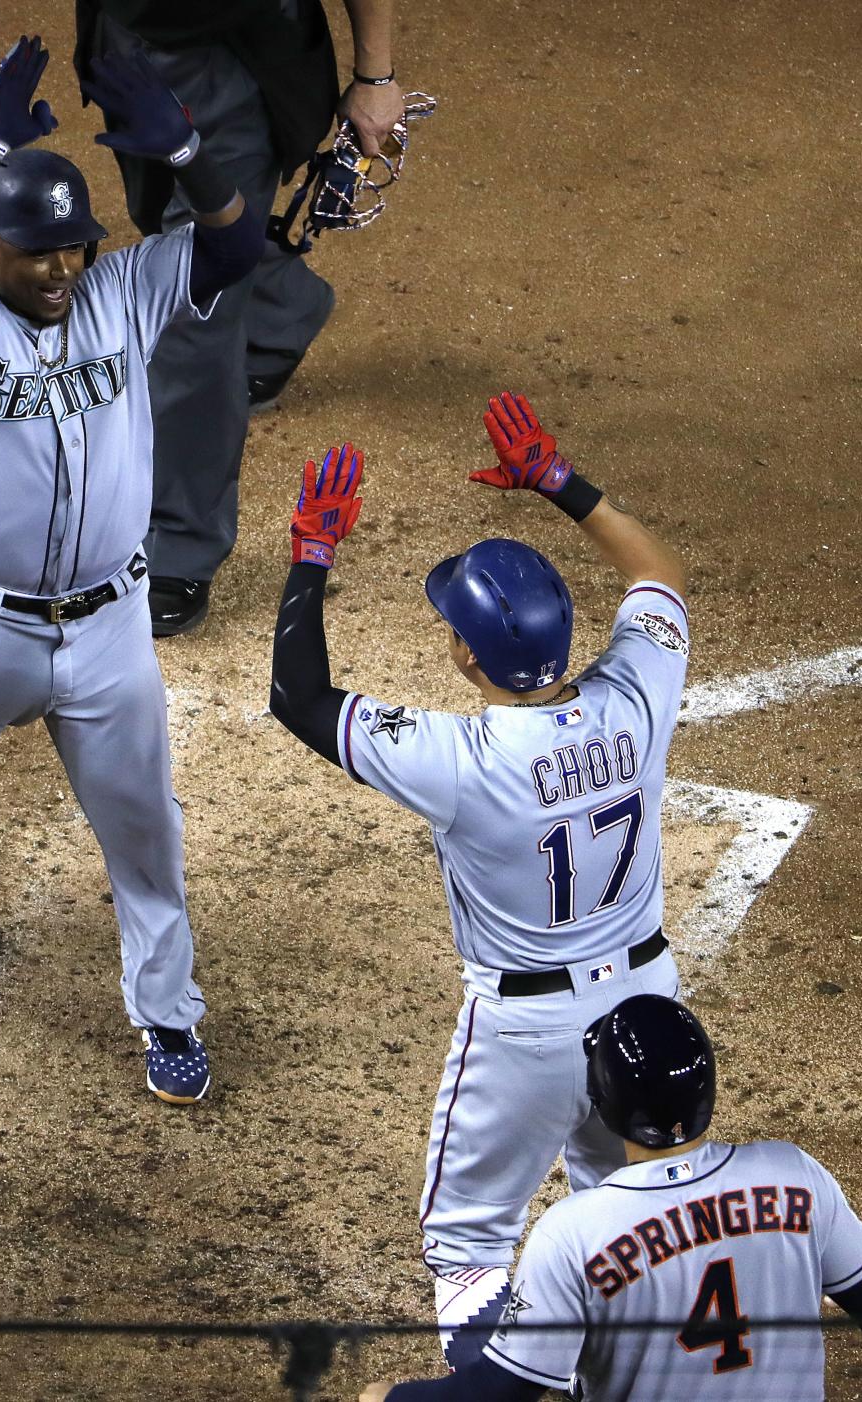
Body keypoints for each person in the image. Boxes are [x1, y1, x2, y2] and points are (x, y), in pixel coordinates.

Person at [0, 36, 263, 1103]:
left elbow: (234, 244)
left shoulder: (121, 292)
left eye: (75, 247)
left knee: (145, 830)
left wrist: (191, 154)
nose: (63, 268)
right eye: (38, 252)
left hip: (110, 625)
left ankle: (166, 1015)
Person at [269, 396, 698, 1363]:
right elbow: (658, 576)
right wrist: (557, 482)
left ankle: (487, 1389)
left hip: (529, 1037)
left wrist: (312, 554)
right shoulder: (637, 695)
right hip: (647, 998)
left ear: (466, 654)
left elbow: (298, 695)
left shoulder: (461, 760)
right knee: (628, 1215)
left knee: (468, 1250)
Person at [0, 0, 404, 636]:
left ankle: (176, 542)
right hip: (127, 31)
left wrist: (375, 76)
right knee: (180, 226)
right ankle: (278, 309)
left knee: (194, 312)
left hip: (239, 51)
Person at [359, 994, 862, 1400]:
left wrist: (387, 1397)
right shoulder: (795, 1177)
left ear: (603, 1107)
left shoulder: (574, 1233)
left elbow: (497, 1395)